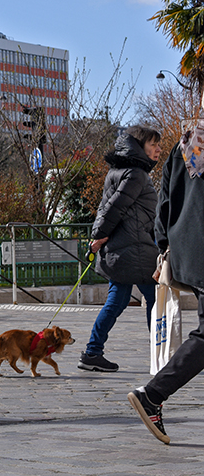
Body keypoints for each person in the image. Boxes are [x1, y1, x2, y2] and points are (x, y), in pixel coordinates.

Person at [129, 121, 204, 444]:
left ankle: (153, 395)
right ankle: (153, 394)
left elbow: (165, 202)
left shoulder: (186, 141)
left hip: (188, 247)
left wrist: (164, 248)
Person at [80, 126, 162, 372]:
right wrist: (98, 236)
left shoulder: (118, 171)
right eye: (153, 145)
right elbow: (113, 209)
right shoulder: (136, 174)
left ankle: (92, 352)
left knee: (118, 301)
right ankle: (161, 353)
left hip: (122, 249)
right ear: (139, 147)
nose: (158, 149)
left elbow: (107, 208)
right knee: (156, 300)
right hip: (137, 250)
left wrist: (99, 237)